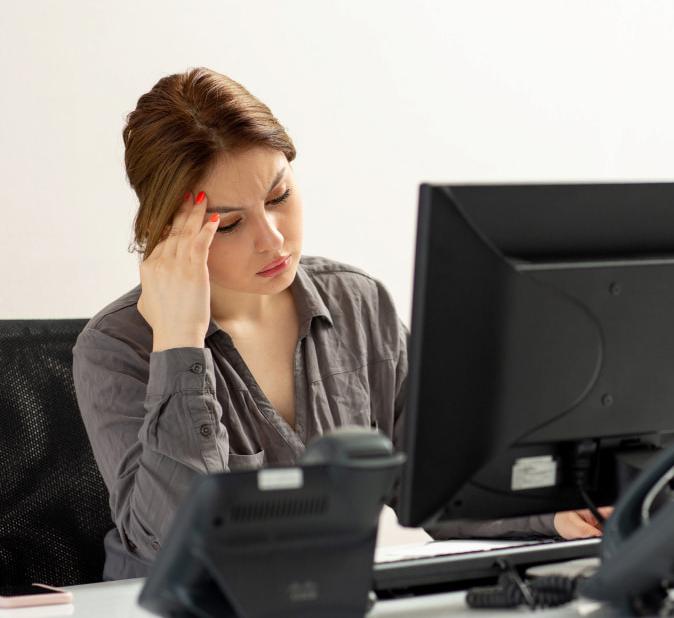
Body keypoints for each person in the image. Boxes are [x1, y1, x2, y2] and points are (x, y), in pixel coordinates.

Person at [72, 67, 607, 581]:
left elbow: (436, 484)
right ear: (172, 231)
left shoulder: (359, 301)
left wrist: (555, 518)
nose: (273, 239)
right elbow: (174, 540)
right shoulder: (115, 348)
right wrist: (179, 346)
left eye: (278, 196)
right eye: (230, 224)